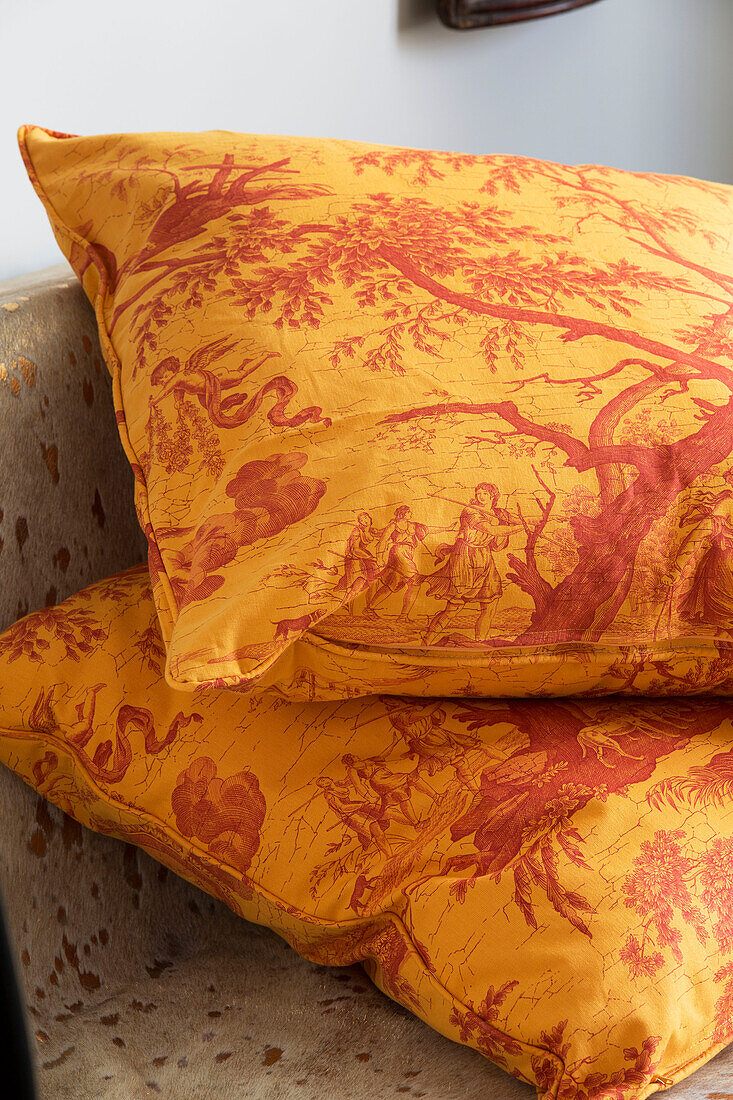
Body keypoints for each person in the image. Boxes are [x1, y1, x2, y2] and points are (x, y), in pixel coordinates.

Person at [426, 483, 513, 642]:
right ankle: (427, 640)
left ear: (493, 496)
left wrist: (538, 521)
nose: (480, 496)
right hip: (466, 557)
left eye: (485, 493)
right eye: (478, 493)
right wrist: (523, 527)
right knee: (454, 606)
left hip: (484, 557)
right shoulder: (470, 511)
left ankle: (480, 643)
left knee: (491, 603)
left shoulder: (498, 513)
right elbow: (492, 530)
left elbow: (518, 519)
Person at [365, 505, 427, 619]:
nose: (411, 514)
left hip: (406, 555)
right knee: (415, 582)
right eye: (409, 512)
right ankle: (403, 616)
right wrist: (379, 558)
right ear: (403, 514)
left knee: (391, 585)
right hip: (398, 553)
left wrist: (447, 529)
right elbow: (382, 541)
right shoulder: (393, 526)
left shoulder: (412, 525)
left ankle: (370, 608)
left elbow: (428, 529)